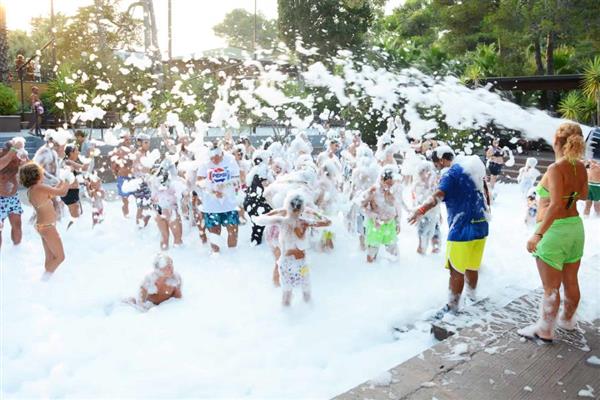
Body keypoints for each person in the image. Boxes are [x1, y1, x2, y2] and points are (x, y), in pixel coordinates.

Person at [518, 123, 588, 343]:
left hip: (554, 231)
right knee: (571, 281)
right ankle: (567, 320)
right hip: (575, 228)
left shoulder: (555, 168)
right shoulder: (580, 166)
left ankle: (545, 331)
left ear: (557, 141)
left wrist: (537, 234)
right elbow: (583, 195)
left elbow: (556, 205)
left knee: (551, 287)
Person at [408, 146, 490, 317]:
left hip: (462, 227)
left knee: (455, 270)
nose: (437, 168)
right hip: (481, 224)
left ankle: (452, 308)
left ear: (442, 160)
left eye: (437, 164)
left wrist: (420, 210)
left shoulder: (451, 173)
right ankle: (472, 298)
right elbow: (485, 192)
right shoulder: (472, 168)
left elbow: (438, 195)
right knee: (472, 266)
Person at [256, 192, 331, 307]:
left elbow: (260, 219)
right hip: (301, 263)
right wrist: (313, 212)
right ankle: (310, 311)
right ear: (302, 208)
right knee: (306, 289)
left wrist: (280, 210)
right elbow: (327, 222)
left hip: (286, 263)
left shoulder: (281, 221)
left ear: (288, 206)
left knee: (287, 292)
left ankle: (286, 313)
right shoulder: (305, 222)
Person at [19, 162, 69, 280]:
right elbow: (62, 192)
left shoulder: (32, 190)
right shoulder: (40, 187)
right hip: (47, 227)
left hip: (43, 226)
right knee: (60, 257)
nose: (43, 173)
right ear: (36, 175)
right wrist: (68, 179)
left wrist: (62, 180)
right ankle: (44, 281)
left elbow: (52, 193)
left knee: (50, 258)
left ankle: (47, 284)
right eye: (41, 171)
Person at [196, 145, 240, 253]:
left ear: (222, 154)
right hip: (211, 205)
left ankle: (233, 256)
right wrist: (212, 191)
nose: (214, 160)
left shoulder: (230, 161)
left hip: (229, 204)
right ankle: (216, 257)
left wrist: (225, 188)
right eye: (212, 158)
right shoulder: (205, 163)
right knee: (214, 234)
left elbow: (237, 179)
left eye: (217, 157)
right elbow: (199, 181)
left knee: (233, 231)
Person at [360, 166, 403, 263]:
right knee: (371, 254)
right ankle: (370, 270)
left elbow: (398, 209)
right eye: (387, 183)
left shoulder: (394, 191)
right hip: (376, 225)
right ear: (381, 179)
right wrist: (374, 217)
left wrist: (398, 223)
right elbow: (363, 206)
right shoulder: (373, 191)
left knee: (394, 255)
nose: (389, 186)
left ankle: (393, 271)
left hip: (390, 225)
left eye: (391, 184)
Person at [149, 160, 184, 250]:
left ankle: (164, 255)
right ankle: (179, 257)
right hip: (171, 210)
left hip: (159, 211)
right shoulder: (173, 181)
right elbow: (181, 194)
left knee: (164, 237)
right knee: (177, 238)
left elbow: (152, 199)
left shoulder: (154, 181)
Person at [0, 138, 28, 249]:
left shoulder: (18, 157)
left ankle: (16, 251)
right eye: (16, 150)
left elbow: (31, 169)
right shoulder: (2, 154)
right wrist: (13, 150)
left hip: (13, 198)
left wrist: (25, 162)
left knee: (17, 226)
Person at [412, 159, 441, 254]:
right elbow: (415, 200)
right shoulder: (417, 184)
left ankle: (435, 245)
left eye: (423, 173)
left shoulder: (433, 184)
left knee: (435, 228)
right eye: (420, 173)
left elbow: (437, 200)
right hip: (422, 211)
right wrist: (414, 211)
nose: (422, 176)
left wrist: (440, 214)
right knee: (421, 230)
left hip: (432, 212)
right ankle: (421, 245)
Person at [61, 144, 88, 227]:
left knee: (79, 214)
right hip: (69, 193)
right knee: (75, 217)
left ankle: (73, 231)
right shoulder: (67, 162)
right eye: (76, 150)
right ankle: (69, 232)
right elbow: (84, 168)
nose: (78, 152)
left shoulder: (68, 162)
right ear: (71, 153)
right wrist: (89, 156)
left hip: (72, 192)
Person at [109, 133, 134, 218]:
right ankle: (126, 215)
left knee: (136, 197)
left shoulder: (132, 150)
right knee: (125, 199)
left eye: (129, 139)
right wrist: (117, 174)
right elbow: (113, 166)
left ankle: (136, 216)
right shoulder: (118, 151)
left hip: (132, 177)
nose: (128, 141)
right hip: (123, 177)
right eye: (126, 140)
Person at [132, 134, 153, 227]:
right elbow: (138, 169)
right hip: (140, 184)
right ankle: (140, 228)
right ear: (139, 143)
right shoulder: (138, 154)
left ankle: (142, 227)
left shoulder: (145, 154)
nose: (148, 144)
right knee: (141, 207)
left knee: (148, 207)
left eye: (149, 142)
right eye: (146, 142)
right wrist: (152, 170)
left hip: (145, 182)